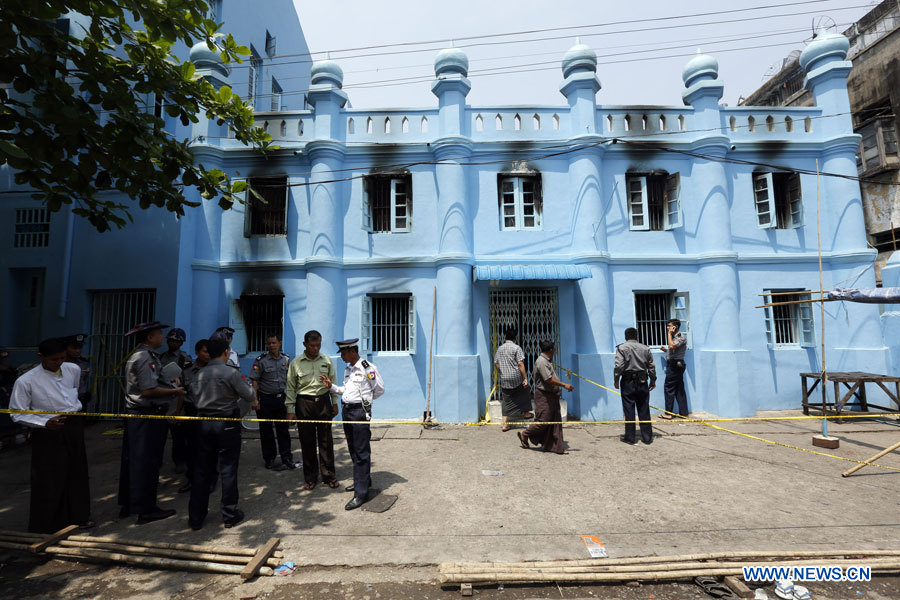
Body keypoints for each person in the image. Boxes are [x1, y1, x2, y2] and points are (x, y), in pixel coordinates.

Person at [10, 338, 94, 533]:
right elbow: (16, 412)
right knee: (49, 478)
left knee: (77, 472)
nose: (58, 363)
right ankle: (47, 525)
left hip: (73, 425)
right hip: (47, 430)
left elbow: (72, 393)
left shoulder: (72, 370)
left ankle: (78, 516)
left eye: (62, 358)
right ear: (41, 357)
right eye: (54, 359)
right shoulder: (26, 381)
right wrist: (44, 423)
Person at [117, 321, 185, 523]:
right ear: (149, 338)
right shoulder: (144, 358)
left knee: (134, 460)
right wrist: (175, 391)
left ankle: (130, 504)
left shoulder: (145, 356)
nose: (163, 337)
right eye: (160, 334)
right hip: (146, 415)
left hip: (141, 415)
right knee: (147, 462)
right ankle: (146, 509)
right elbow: (148, 390)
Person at [188, 335, 257, 530]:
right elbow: (249, 394)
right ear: (226, 352)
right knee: (227, 469)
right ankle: (229, 514)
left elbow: (193, 398)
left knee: (201, 470)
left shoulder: (198, 374)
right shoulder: (230, 373)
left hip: (203, 424)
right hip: (226, 424)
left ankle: (196, 517)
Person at [320, 338, 384, 510]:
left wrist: (365, 405)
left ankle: (361, 494)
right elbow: (345, 390)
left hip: (359, 413)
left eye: (343, 352)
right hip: (347, 412)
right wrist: (331, 386)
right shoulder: (349, 369)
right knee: (353, 449)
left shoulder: (367, 368)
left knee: (361, 452)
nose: (341, 356)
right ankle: (362, 481)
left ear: (352, 352)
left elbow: (379, 389)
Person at [286, 330, 339, 490]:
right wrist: (290, 409)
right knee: (307, 441)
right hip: (304, 404)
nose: (315, 348)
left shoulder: (326, 361)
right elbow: (290, 387)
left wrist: (335, 402)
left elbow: (333, 382)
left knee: (326, 441)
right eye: (312, 345)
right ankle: (310, 477)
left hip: (323, 402)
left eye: (318, 345)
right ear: (305, 344)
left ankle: (329, 475)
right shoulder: (296, 363)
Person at [517, 339, 573, 454]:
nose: (555, 351)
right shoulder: (541, 362)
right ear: (551, 350)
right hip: (544, 396)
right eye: (554, 349)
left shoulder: (547, 361)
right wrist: (564, 385)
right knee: (543, 421)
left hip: (552, 395)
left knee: (555, 421)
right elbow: (548, 379)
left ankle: (556, 446)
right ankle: (525, 434)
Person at [249, 333, 295, 471]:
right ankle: (269, 459)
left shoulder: (286, 359)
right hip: (266, 399)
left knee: (283, 430)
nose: (271, 346)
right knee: (266, 431)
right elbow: (254, 380)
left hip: (281, 399)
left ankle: (286, 457)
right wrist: (254, 399)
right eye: (269, 343)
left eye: (274, 343)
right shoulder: (260, 360)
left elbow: (291, 379)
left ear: (279, 343)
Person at [176, 339, 210, 493]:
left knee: (208, 449)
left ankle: (209, 480)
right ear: (197, 353)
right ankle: (191, 479)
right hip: (191, 412)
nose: (208, 355)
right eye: (204, 351)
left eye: (210, 351)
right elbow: (181, 393)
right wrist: (177, 413)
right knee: (191, 449)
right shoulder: (187, 370)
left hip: (209, 413)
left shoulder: (213, 370)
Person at [614, 327, 657, 445]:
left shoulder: (621, 348)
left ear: (625, 337)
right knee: (644, 408)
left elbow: (619, 366)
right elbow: (651, 366)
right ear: (637, 336)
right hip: (643, 381)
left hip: (627, 381)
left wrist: (616, 380)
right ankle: (647, 437)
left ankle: (630, 437)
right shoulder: (645, 348)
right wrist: (653, 380)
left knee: (629, 408)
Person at [160, 327, 193, 473]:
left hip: (177, 399)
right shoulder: (160, 357)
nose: (173, 343)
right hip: (162, 397)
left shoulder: (184, 358)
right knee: (159, 435)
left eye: (176, 341)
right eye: (171, 340)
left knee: (178, 435)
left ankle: (180, 461)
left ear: (181, 343)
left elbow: (188, 379)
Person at [493, 327, 533, 432]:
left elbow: (496, 363)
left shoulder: (500, 348)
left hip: (505, 377)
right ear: (515, 337)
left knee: (506, 399)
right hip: (516, 376)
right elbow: (520, 363)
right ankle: (526, 413)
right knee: (525, 389)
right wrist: (525, 378)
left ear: (505, 336)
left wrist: (501, 372)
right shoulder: (516, 348)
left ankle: (505, 425)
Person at [659, 318, 688, 419]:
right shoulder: (675, 337)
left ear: (675, 327)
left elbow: (672, 346)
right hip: (675, 364)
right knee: (679, 389)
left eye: (669, 326)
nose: (668, 328)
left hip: (675, 366)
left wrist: (669, 334)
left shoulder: (680, 337)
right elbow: (673, 349)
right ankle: (684, 412)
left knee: (669, 388)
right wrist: (665, 351)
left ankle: (668, 413)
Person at [62, 333, 92, 409]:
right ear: (65, 348)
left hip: (80, 400)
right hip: (63, 401)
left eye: (80, 347)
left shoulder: (84, 363)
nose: (78, 351)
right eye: (74, 348)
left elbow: (84, 380)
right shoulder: (59, 364)